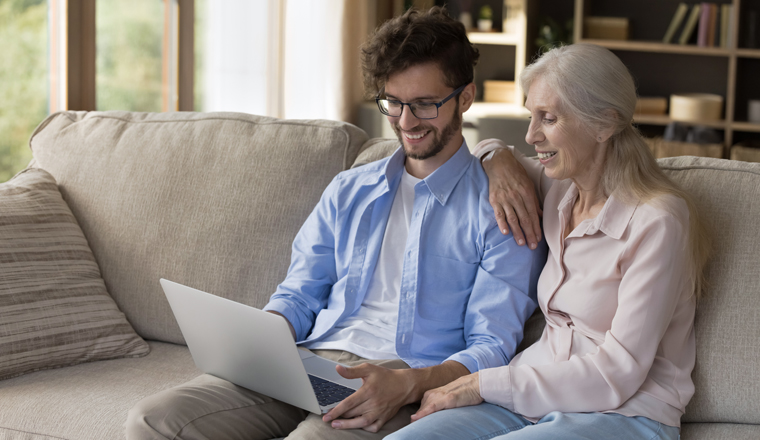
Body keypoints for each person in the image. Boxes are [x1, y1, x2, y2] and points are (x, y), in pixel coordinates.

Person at [125, 7, 546, 440]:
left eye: (423, 104)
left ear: (465, 96)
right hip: (309, 358)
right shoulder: (349, 189)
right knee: (153, 420)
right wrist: (263, 341)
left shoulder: (502, 207)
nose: (405, 121)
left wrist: (411, 384)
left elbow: (491, 345)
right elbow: (299, 293)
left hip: (407, 378)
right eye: (394, 103)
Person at [386, 43, 710, 440]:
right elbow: (485, 151)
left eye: (549, 118)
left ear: (604, 124)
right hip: (535, 397)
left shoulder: (657, 221)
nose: (531, 134)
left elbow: (619, 372)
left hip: (626, 413)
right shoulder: (558, 188)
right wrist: (499, 159)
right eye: (530, 116)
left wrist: (483, 383)